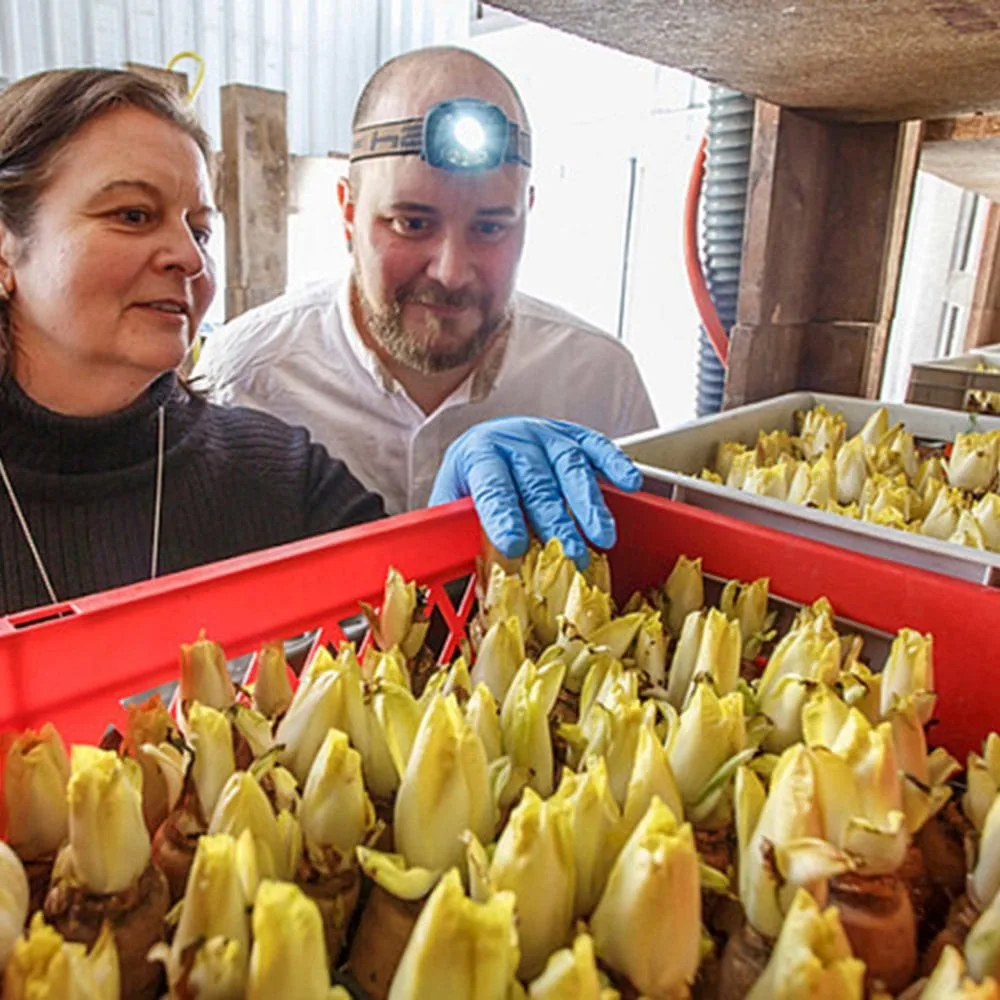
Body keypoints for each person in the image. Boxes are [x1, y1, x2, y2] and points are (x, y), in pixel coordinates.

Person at [0, 68, 641, 618]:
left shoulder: (281, 477)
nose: (187, 258)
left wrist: (445, 552)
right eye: (133, 215)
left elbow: (413, 638)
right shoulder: (254, 371)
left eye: (200, 230)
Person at [193, 46, 657, 518]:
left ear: (527, 216)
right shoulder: (245, 382)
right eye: (411, 224)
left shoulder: (601, 386)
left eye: (491, 227)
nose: (451, 273)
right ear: (348, 212)